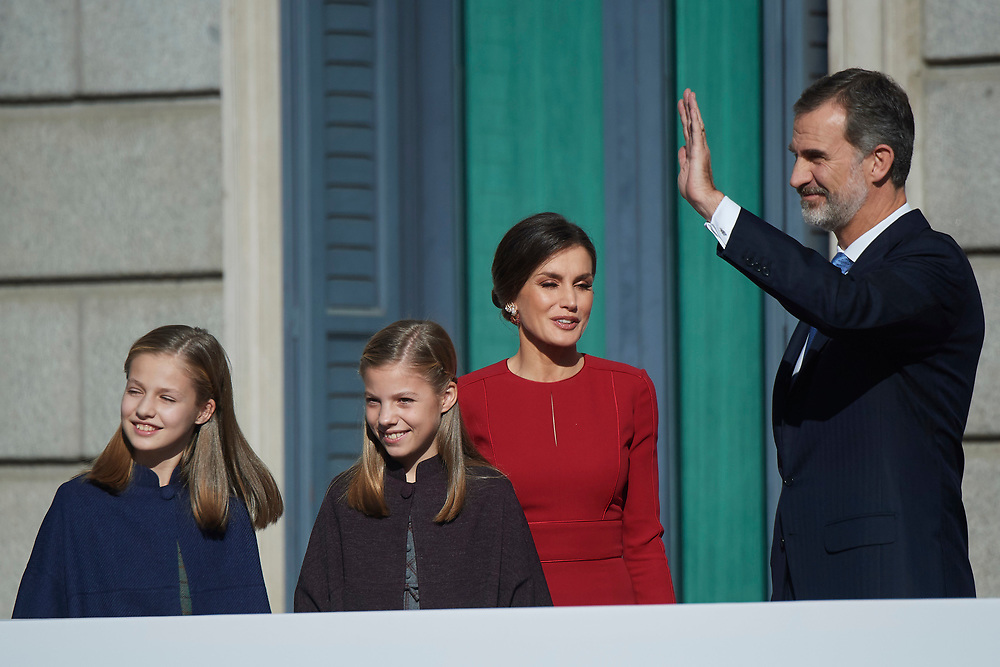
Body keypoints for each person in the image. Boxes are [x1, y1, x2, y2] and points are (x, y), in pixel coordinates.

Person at [677, 68, 984, 599]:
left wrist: (714, 205)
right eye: (797, 156)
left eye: (816, 157)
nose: (797, 177)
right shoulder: (845, 275)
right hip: (810, 586)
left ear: (878, 162)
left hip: (891, 589)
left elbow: (845, 306)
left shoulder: (932, 263)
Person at [459, 214, 676, 606]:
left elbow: (644, 538)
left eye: (583, 285)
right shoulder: (469, 399)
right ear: (511, 296)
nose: (571, 301)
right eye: (549, 283)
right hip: (508, 613)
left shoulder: (629, 390)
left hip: (611, 613)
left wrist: (663, 635)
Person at [13, 325, 283, 618]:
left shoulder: (225, 512)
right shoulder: (77, 505)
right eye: (135, 390)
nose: (143, 409)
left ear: (204, 411)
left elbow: (248, 643)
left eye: (166, 398)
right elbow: (32, 630)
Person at [294, 320, 551, 611]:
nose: (385, 417)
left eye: (404, 400)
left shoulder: (491, 497)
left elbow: (528, 613)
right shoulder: (344, 498)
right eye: (373, 401)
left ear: (446, 397)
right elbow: (310, 611)